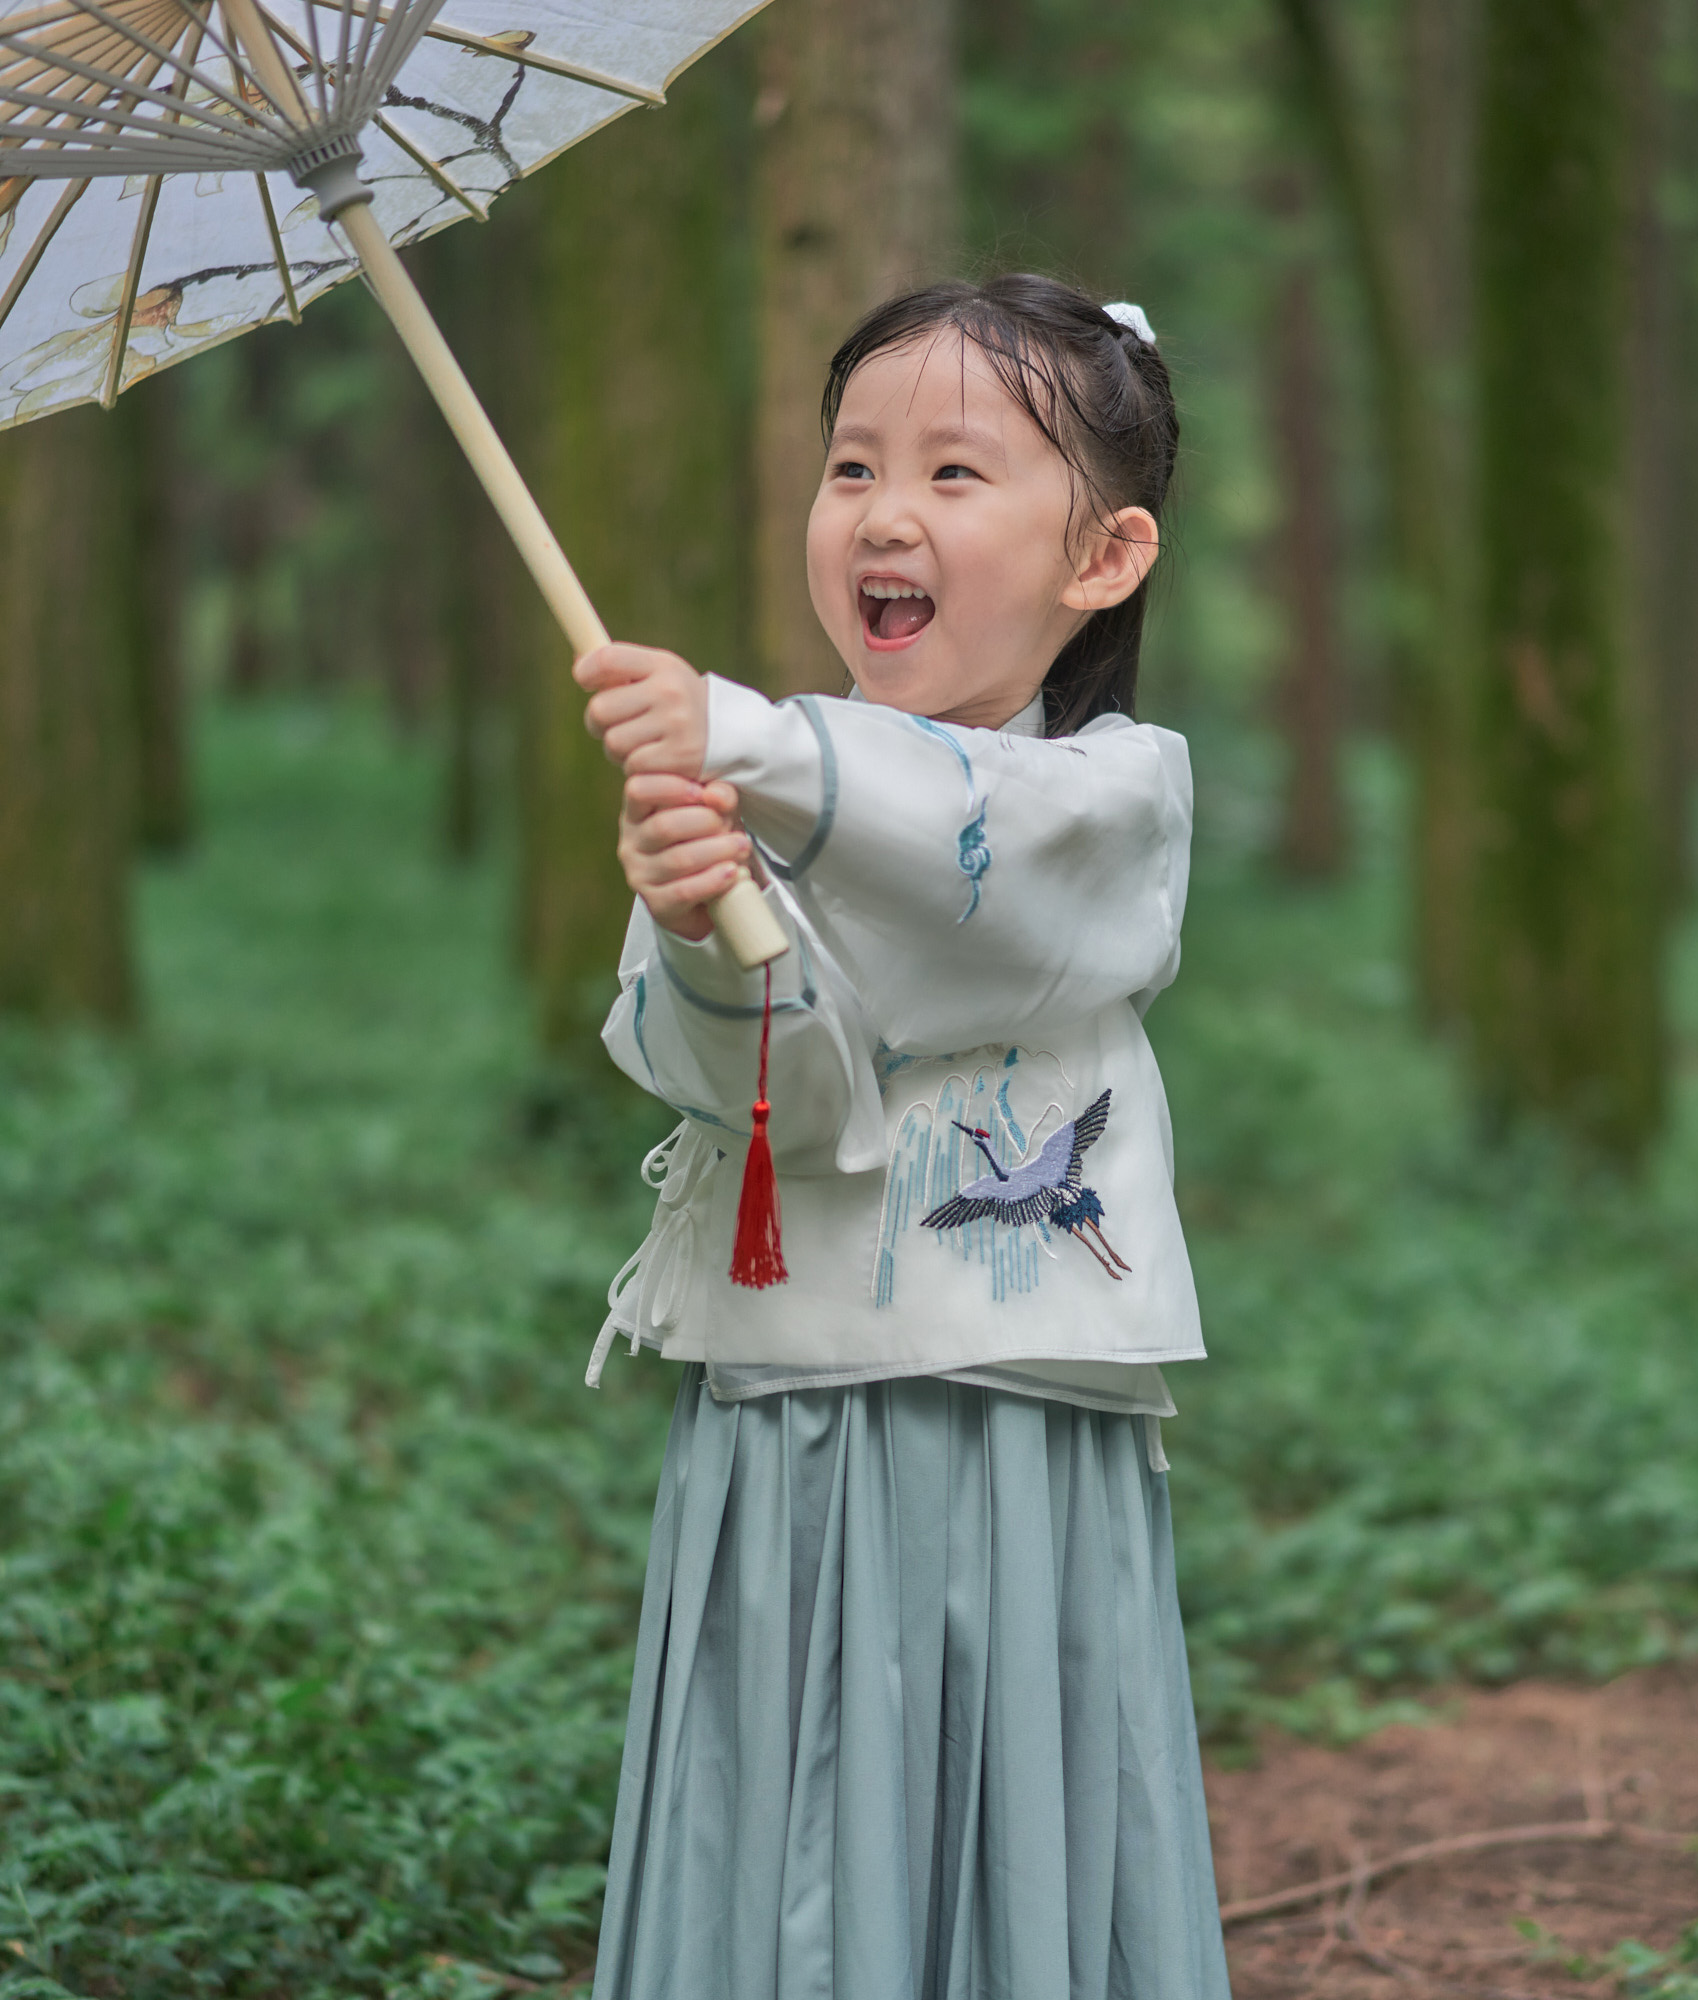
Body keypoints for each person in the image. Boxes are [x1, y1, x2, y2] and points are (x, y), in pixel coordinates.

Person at [572, 274, 1232, 2000]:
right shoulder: (788, 794)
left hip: (1009, 1424)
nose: (883, 512)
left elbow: (990, 854)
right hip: (782, 1426)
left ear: (1105, 557)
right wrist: (709, 914)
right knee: (775, 1801)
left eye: (954, 474)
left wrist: (748, 741)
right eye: (851, 465)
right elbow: (771, 1097)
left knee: (1008, 1802)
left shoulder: (1111, 792)